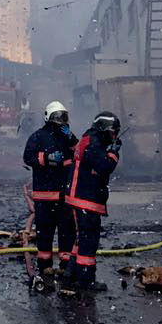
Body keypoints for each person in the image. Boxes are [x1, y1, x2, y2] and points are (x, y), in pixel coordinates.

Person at [21, 101, 77, 293]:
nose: (60, 121)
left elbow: (79, 153)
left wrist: (71, 138)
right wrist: (47, 158)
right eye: (57, 117)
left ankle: (64, 265)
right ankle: (45, 265)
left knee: (67, 230)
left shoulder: (67, 137)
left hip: (64, 195)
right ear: (49, 117)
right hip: (45, 194)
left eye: (63, 117)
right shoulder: (38, 137)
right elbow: (28, 157)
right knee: (45, 230)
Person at [63, 112, 121, 289]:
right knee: (89, 240)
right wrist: (114, 152)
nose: (114, 136)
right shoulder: (94, 144)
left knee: (81, 238)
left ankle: (71, 272)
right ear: (104, 129)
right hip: (86, 200)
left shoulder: (88, 140)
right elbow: (104, 167)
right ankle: (85, 279)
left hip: (79, 199)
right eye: (112, 132)